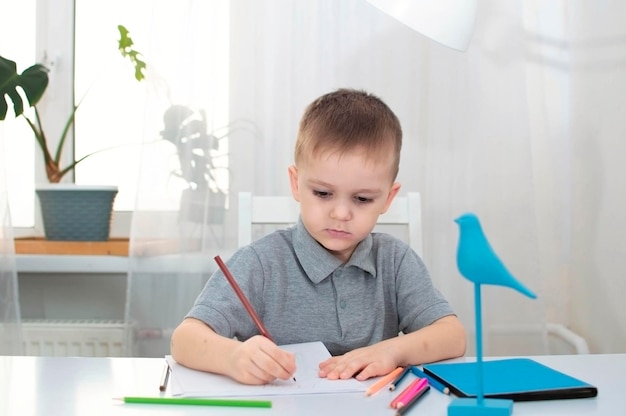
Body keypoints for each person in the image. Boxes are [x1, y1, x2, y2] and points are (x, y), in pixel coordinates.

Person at [170, 88, 466, 385]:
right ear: (296, 184)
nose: (340, 213)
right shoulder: (260, 263)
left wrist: (391, 351)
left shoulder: (396, 261)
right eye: (323, 193)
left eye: (362, 199)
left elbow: (453, 336)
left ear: (388, 199)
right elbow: (184, 340)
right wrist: (234, 357)